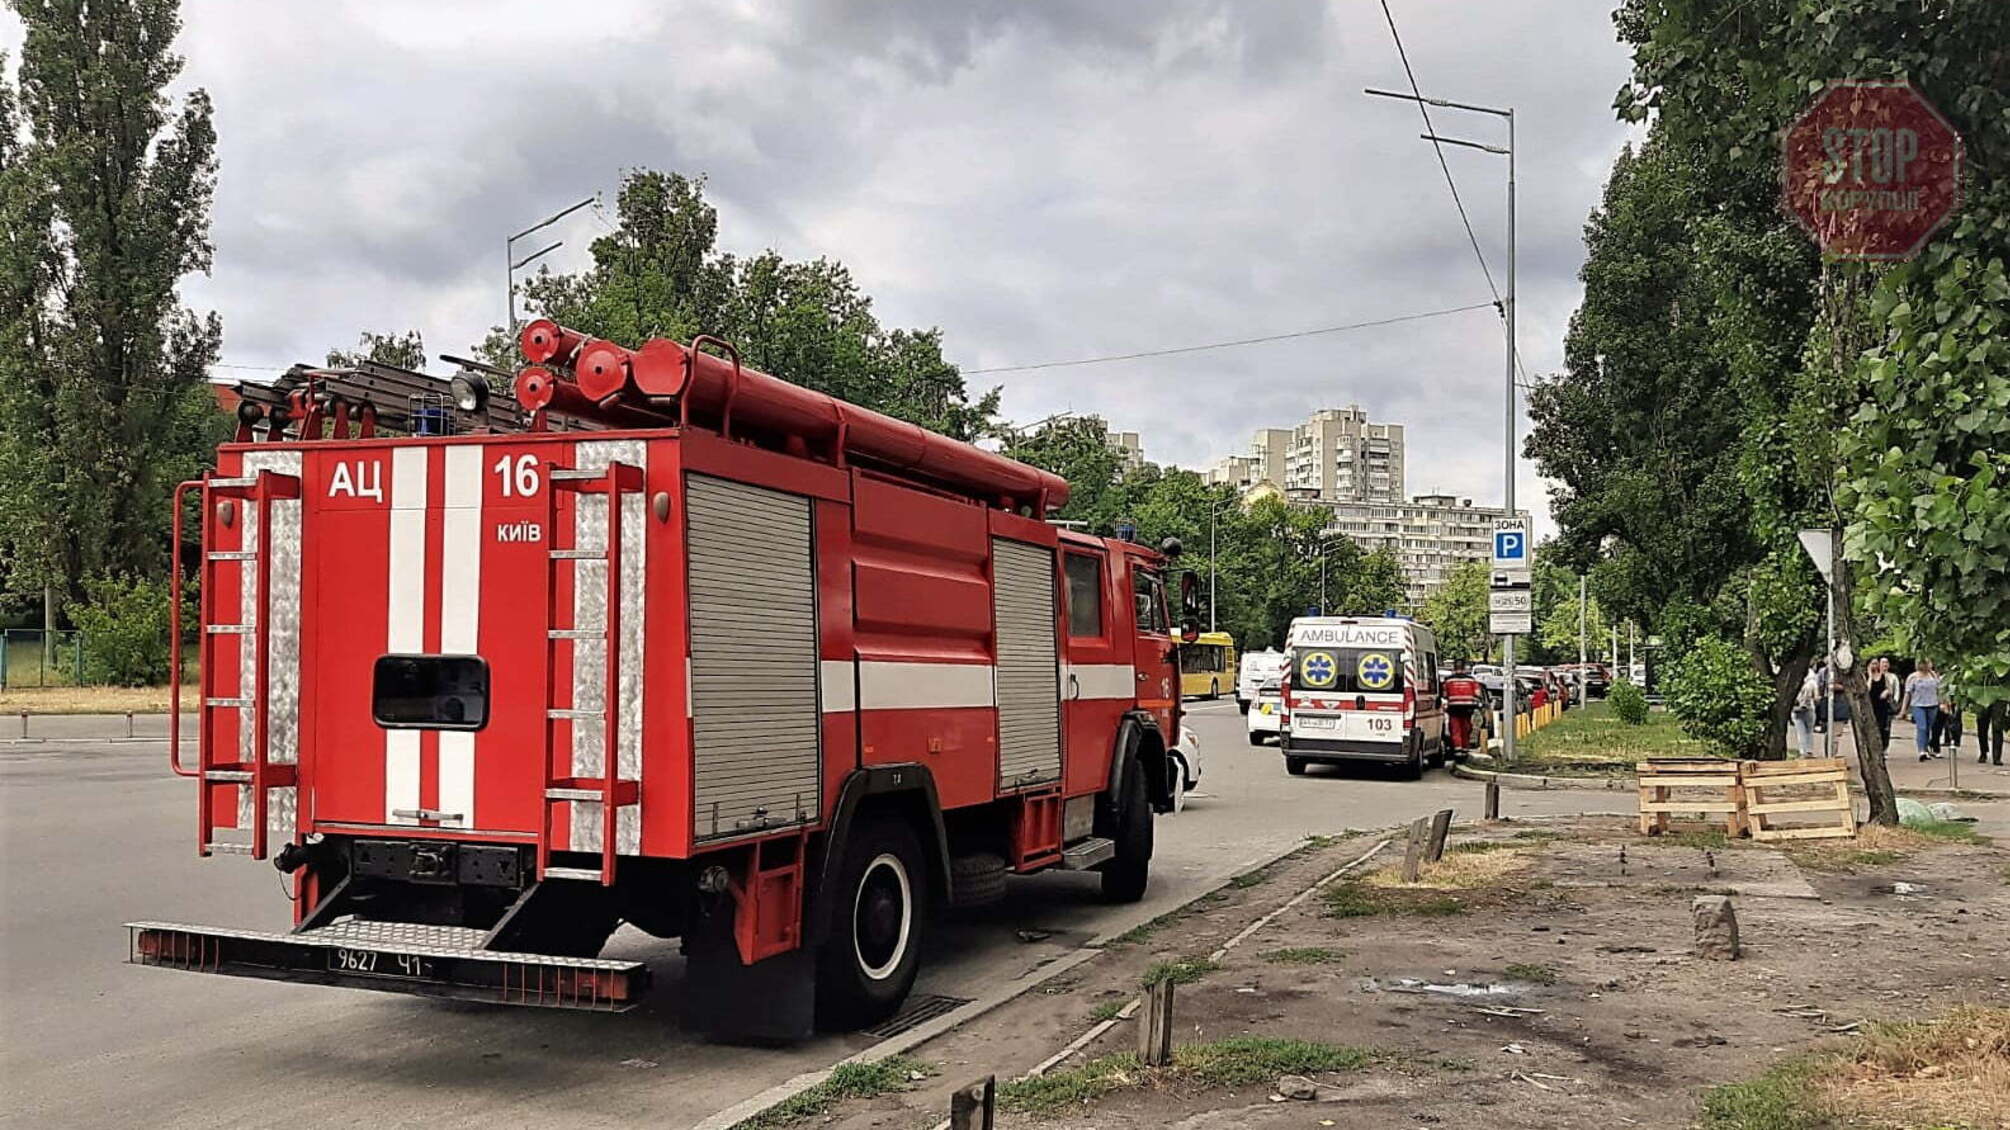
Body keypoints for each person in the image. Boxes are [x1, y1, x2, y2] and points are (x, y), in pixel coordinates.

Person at [1442, 659, 1485, 754]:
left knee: (1455, 728)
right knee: (1466, 727)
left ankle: (1458, 748)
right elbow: (1478, 694)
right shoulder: (1471, 680)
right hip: (1468, 708)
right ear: (1464, 668)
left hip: (1453, 708)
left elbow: (1444, 695)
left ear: (1454, 668)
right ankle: (1465, 748)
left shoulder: (1448, 681)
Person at [1906, 660, 1943, 761]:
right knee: (1922, 727)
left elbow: (1939, 690)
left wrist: (1942, 703)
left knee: (1928, 728)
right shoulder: (1913, 677)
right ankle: (1921, 750)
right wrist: (1903, 709)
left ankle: (1926, 748)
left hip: (1932, 704)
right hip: (1918, 705)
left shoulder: (1933, 675)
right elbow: (1908, 693)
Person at [1868, 658, 1899, 752]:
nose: (1875, 666)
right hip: (1871, 705)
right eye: (1872, 664)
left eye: (1876, 664)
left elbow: (1890, 689)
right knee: (1872, 727)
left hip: (1882, 705)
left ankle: (1883, 748)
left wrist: (1886, 692)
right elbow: (1867, 689)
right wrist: (1870, 676)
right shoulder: (1866, 676)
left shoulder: (1884, 677)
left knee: (1883, 728)